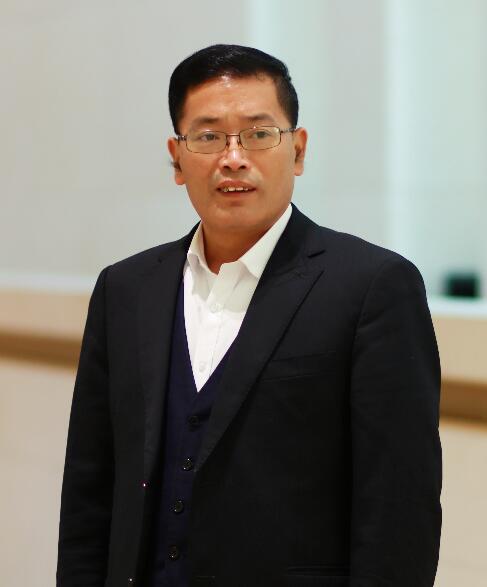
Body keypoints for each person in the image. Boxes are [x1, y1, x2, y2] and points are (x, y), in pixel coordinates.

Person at [57, 44, 442, 587]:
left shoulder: (373, 287)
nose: (233, 158)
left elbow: (399, 512)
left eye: (259, 134)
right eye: (208, 137)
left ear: (298, 150)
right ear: (176, 157)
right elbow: (89, 490)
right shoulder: (124, 289)